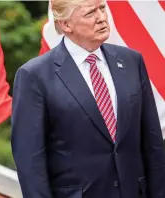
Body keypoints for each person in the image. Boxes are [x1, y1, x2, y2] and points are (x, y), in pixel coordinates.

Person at [11, 0, 165, 197]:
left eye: (102, 8)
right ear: (66, 24)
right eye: (90, 13)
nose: (102, 17)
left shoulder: (131, 61)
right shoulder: (35, 76)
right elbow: (30, 162)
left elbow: (152, 143)